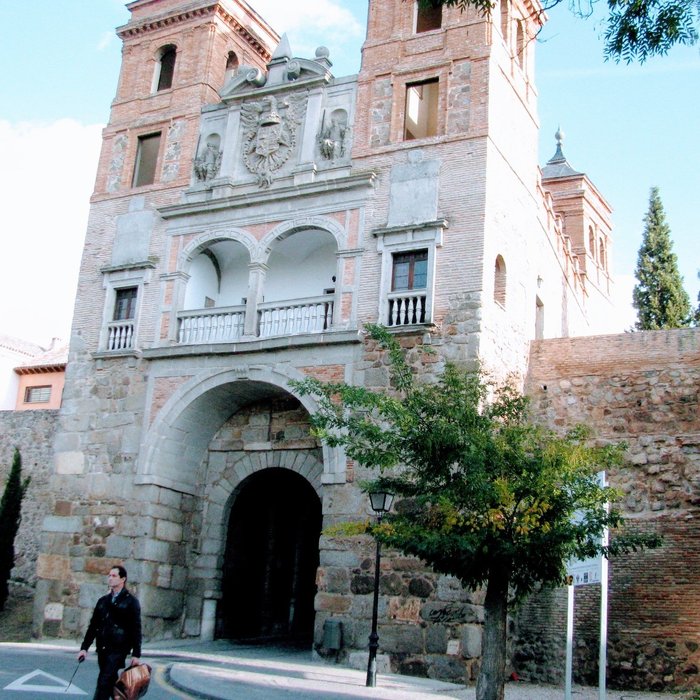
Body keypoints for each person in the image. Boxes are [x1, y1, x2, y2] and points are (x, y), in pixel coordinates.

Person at [78, 565, 142, 700]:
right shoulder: (103, 601)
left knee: (103, 682)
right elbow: (93, 626)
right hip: (102, 648)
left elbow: (136, 628)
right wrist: (84, 648)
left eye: (114, 576)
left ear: (122, 579)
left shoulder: (131, 602)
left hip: (119, 649)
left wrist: (136, 654)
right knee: (111, 684)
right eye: (109, 575)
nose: (110, 578)